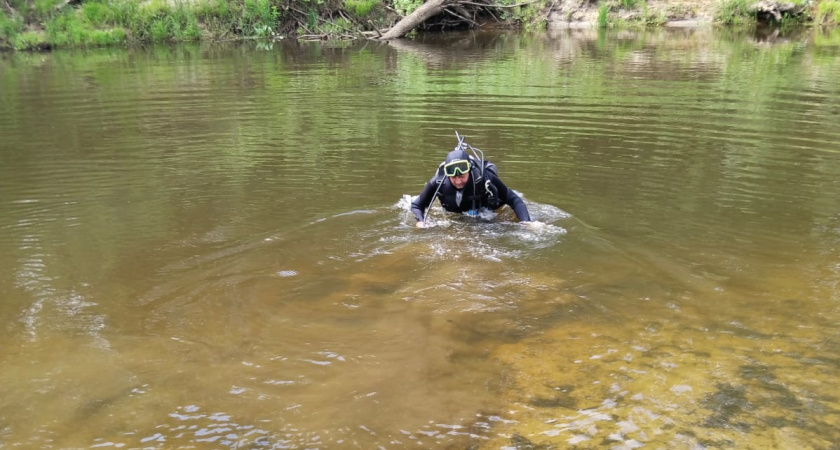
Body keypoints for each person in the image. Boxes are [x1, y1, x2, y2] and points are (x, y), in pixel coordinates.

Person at [410, 144, 538, 228]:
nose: (458, 181)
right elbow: (416, 205)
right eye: (453, 177)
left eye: (462, 176)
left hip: (484, 211)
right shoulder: (438, 182)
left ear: (470, 170)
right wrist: (421, 221)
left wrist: (526, 222)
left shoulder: (483, 178)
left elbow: (514, 199)